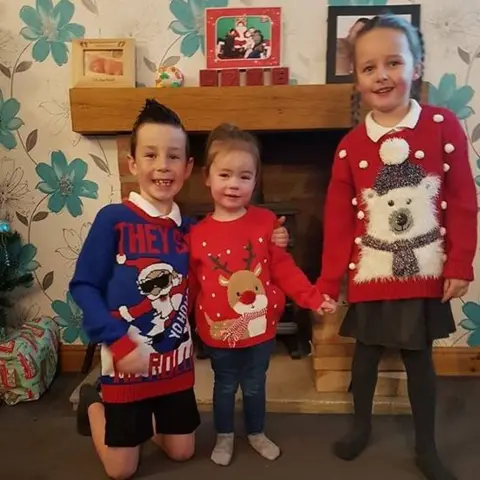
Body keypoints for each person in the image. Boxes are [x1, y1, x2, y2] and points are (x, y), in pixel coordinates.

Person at [69, 99, 289, 480]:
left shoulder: (192, 230)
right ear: (132, 163)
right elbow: (84, 285)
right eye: (150, 155)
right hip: (126, 367)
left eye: (173, 156)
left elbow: (237, 253)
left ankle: (151, 419)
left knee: (183, 452)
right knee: (122, 471)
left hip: (174, 367)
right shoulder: (114, 220)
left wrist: (274, 236)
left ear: (188, 168)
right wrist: (117, 342)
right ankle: (93, 402)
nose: (162, 166)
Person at [316, 14, 477, 480]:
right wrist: (330, 280)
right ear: (357, 78)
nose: (381, 75)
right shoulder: (349, 148)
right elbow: (340, 221)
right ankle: (360, 427)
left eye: (393, 62)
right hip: (372, 271)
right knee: (364, 353)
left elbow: (464, 200)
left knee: (418, 358)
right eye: (369, 67)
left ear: (417, 65)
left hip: (425, 269)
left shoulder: (443, 126)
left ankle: (427, 446)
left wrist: (460, 262)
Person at [189, 123, 335, 467]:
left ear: (255, 180)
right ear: (207, 177)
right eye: (225, 175)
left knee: (255, 384)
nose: (234, 184)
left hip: (260, 330)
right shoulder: (196, 234)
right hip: (219, 332)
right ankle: (224, 435)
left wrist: (312, 297)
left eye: (244, 176)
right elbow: (191, 284)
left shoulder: (267, 223)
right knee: (224, 386)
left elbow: (284, 270)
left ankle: (256, 431)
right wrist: (181, 322)